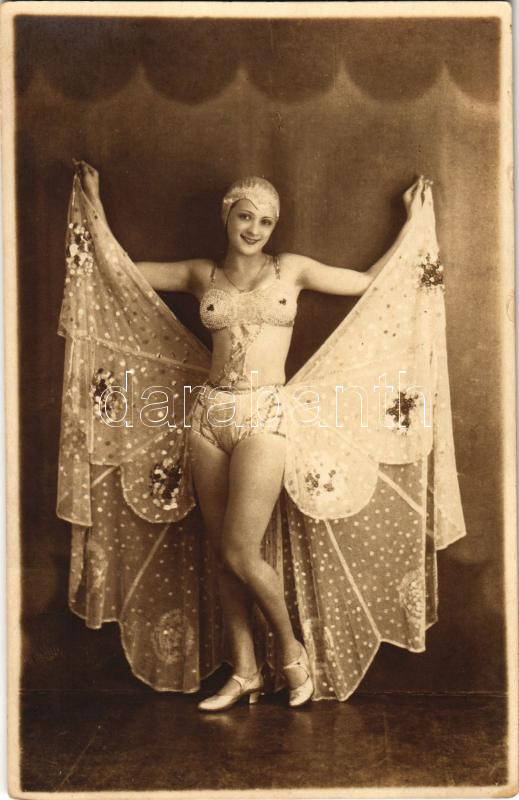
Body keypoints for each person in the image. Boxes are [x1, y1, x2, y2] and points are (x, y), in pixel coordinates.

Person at [59, 163, 465, 710]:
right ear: (227, 216)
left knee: (239, 548)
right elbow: (118, 271)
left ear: (274, 227)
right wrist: (95, 208)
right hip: (209, 417)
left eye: (266, 222)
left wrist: (412, 226)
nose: (254, 229)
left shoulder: (290, 269)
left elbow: (368, 282)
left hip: (266, 416)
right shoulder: (200, 273)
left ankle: (292, 653)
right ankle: (245, 671)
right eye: (245, 217)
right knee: (222, 554)